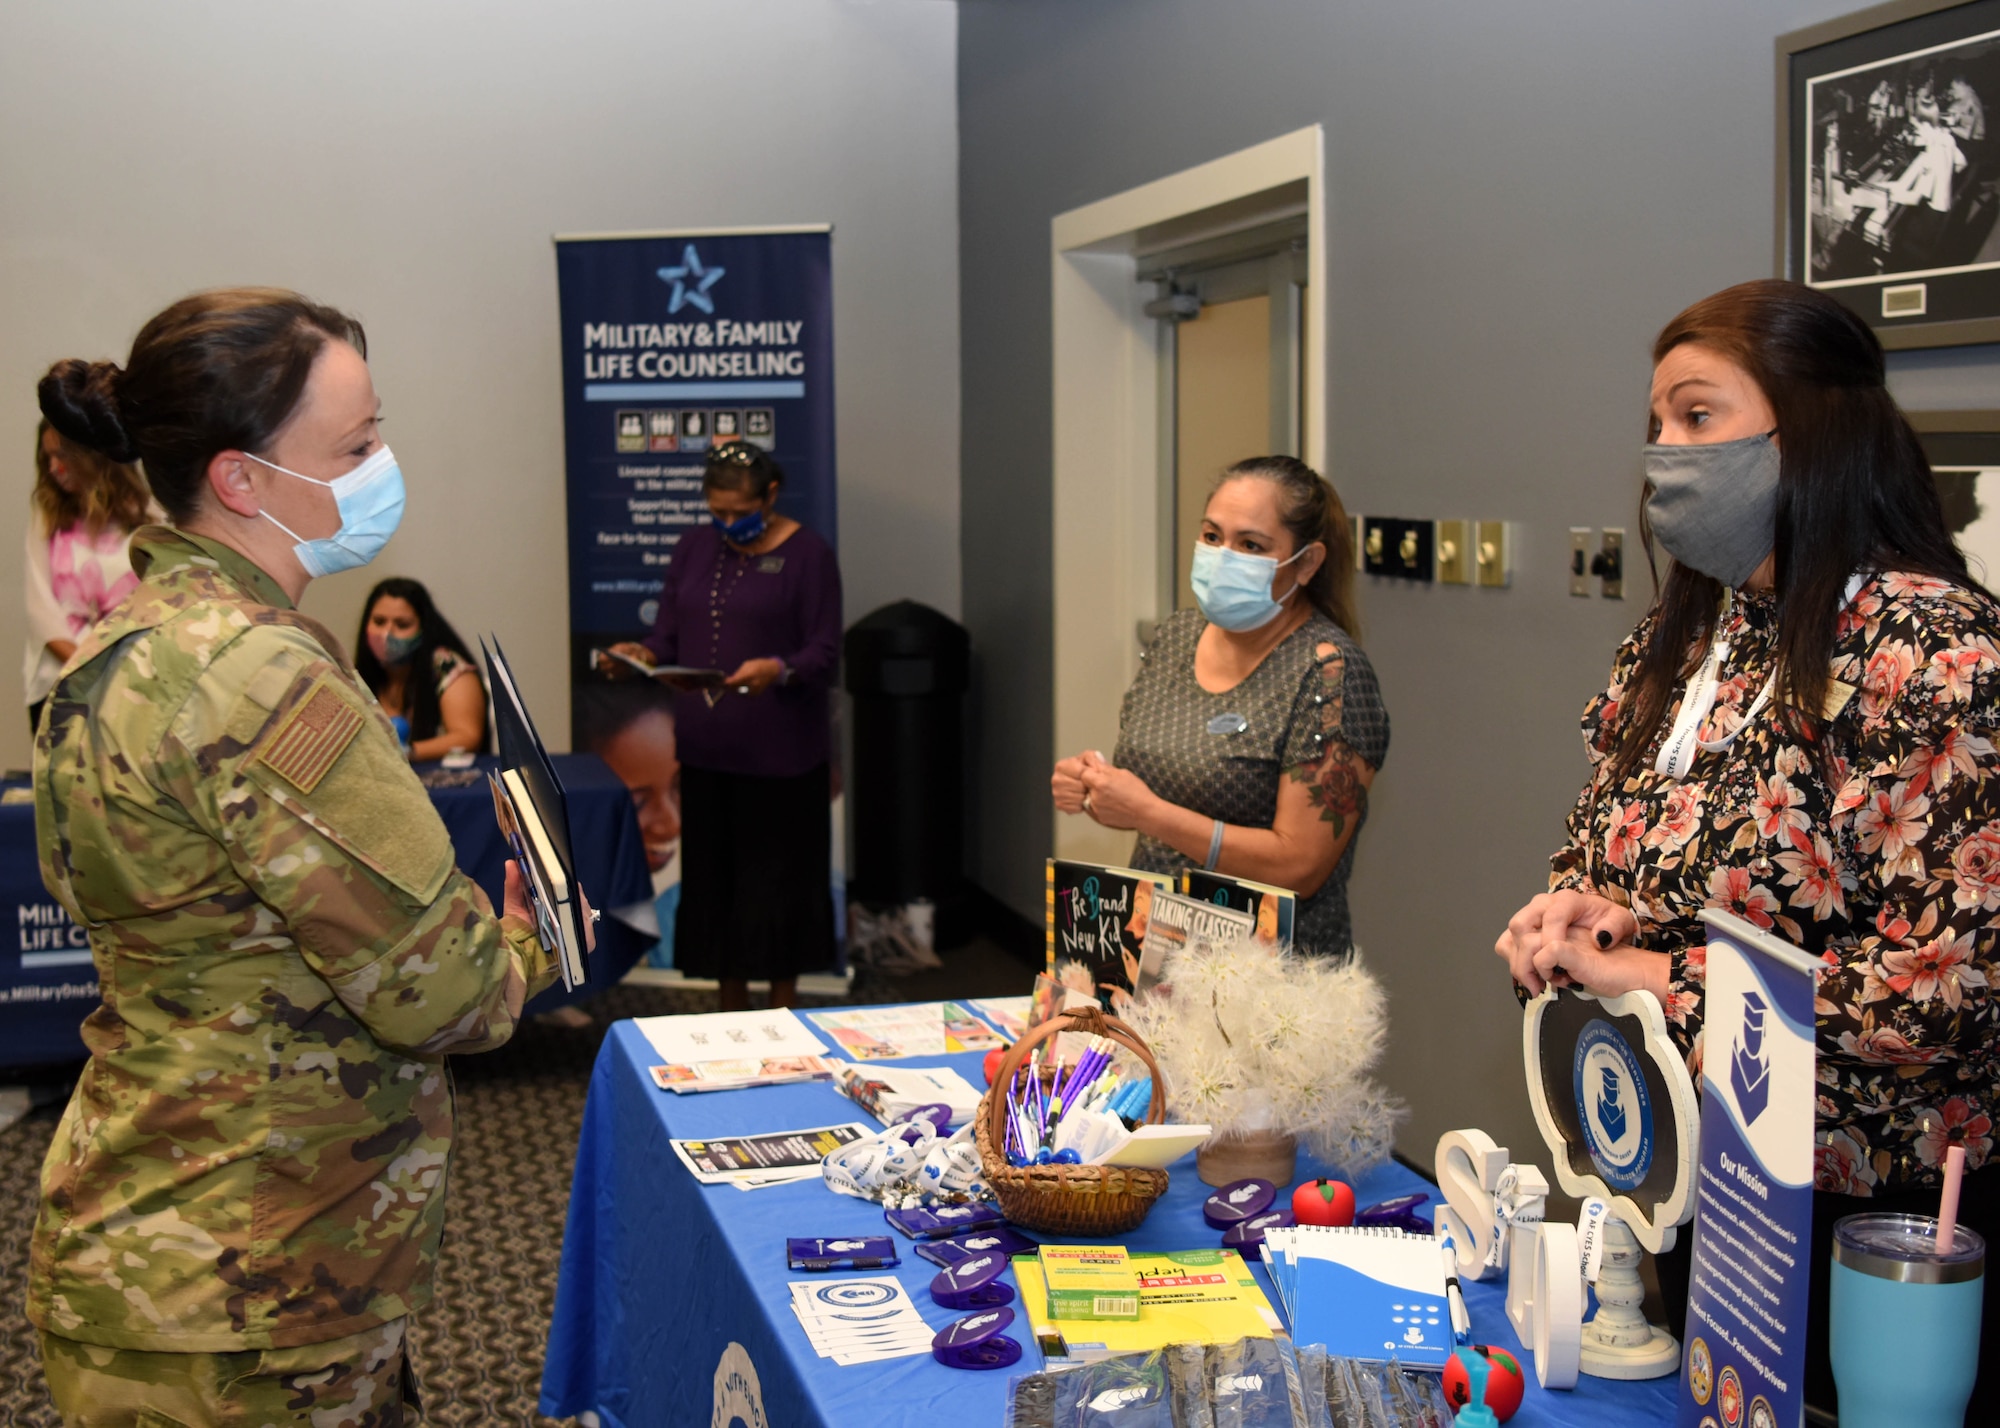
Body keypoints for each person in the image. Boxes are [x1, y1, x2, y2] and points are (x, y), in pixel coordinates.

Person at [29, 288, 555, 1427]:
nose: (383, 465)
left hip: (140, 1250)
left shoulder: (113, 658)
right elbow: (445, 994)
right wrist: (532, 937)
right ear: (242, 480)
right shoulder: (266, 678)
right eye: (358, 445)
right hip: (258, 1295)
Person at [1493, 279, 1999, 1419]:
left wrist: (1664, 978)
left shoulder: (1931, 653)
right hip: (1690, 1175)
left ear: (1808, 427)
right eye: (1655, 422)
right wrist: (1579, 912)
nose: (1661, 450)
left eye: (1695, 416)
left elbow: (1944, 995)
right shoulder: (1689, 634)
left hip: (1866, 1225)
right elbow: (1619, 855)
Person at [1052, 455, 1390, 960]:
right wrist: (1098, 787)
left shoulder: (1329, 675)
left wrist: (1148, 812)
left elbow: (1300, 866)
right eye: (1212, 537)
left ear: (1307, 562)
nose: (1223, 556)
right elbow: (1164, 785)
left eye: (1250, 545)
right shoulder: (1176, 637)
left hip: (1263, 980)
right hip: (1148, 954)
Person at [601, 439, 840, 1010]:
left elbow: (825, 652)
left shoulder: (809, 555)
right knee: (718, 893)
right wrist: (641, 653)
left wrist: (777, 669)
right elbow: (668, 638)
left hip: (782, 762)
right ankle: (731, 1011)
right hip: (707, 757)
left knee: (778, 894)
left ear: (772, 494)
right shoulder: (692, 548)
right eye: (718, 512)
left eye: (741, 512)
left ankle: (784, 1015)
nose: (728, 523)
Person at [22, 419, 152, 734]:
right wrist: (88, 668)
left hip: (130, 687)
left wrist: (118, 677)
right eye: (48, 457)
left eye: (63, 456)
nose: (54, 468)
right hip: (58, 684)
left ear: (94, 456)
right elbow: (41, 611)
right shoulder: (47, 515)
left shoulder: (150, 519)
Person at [354, 575, 488, 760]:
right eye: (379, 622)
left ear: (423, 628)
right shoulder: (361, 673)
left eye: (402, 625)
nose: (387, 634)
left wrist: (405, 753)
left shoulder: (448, 667)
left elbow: (466, 737)